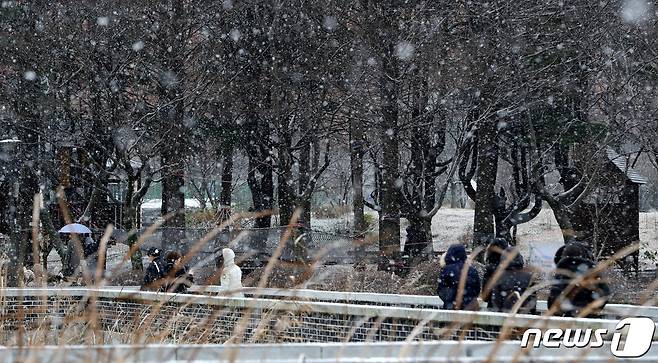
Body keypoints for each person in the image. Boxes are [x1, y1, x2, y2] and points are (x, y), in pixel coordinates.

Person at [548, 241, 611, 317]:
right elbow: (605, 294)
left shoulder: (562, 272)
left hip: (564, 320)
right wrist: (592, 310)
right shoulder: (591, 272)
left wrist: (560, 313)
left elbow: (553, 298)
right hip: (588, 319)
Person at [487, 247, 537, 314]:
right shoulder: (528, 276)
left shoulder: (499, 276)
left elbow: (496, 302)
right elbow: (532, 301)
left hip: (505, 317)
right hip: (524, 317)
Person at [437, 244, 481, 310]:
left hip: (452, 308)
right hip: (471, 308)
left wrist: (450, 300)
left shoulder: (446, 270)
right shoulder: (472, 270)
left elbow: (441, 290)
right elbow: (477, 289)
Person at [482, 237, 509, 303]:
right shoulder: (514, 268)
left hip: (494, 307)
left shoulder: (490, 270)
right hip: (513, 308)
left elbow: (485, 296)